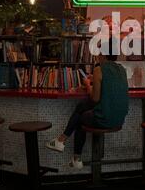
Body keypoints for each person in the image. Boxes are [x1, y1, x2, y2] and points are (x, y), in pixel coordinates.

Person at [46, 38, 129, 169]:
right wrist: (95, 81)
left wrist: (87, 84)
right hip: (120, 119)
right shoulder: (122, 69)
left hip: (105, 119)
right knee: (82, 108)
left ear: (103, 54)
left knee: (80, 116)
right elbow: (109, 88)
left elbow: (95, 99)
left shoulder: (99, 69)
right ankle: (65, 146)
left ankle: (68, 147)